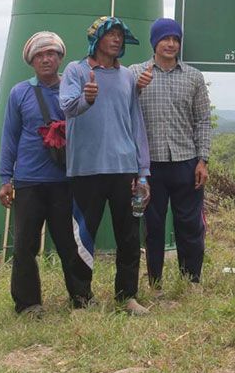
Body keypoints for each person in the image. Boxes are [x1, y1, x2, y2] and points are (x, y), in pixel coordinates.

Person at [59, 16, 151, 315]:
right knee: (83, 234)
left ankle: (127, 296)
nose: (116, 40)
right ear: (96, 39)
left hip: (123, 166)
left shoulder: (126, 77)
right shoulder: (76, 70)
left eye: (120, 36)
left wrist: (143, 171)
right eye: (110, 34)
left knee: (128, 234)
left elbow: (136, 123)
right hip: (86, 167)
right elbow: (68, 107)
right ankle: (81, 299)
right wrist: (86, 98)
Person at [0, 31, 92, 315]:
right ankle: (28, 304)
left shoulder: (71, 89)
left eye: (51, 53)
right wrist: (6, 179)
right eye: (40, 55)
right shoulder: (20, 93)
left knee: (68, 242)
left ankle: (81, 297)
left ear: (60, 57)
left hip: (65, 180)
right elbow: (9, 137)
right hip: (28, 180)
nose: (46, 59)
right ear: (31, 61)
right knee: (25, 245)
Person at [129, 18, 212, 289]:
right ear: (155, 42)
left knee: (189, 225)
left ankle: (191, 281)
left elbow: (202, 120)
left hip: (186, 161)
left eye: (175, 39)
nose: (171, 44)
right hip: (148, 165)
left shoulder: (193, 77)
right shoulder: (135, 74)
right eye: (165, 39)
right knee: (152, 227)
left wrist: (203, 160)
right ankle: (155, 281)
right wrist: (137, 88)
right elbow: (124, 114)